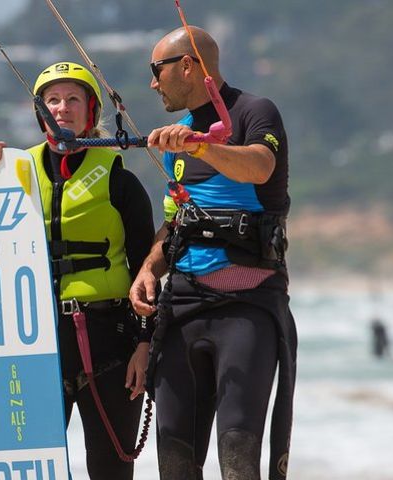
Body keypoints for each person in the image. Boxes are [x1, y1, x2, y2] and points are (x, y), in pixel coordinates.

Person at [129, 27, 297, 480]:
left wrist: (203, 144)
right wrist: (149, 268)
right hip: (181, 306)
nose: (152, 83)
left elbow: (260, 166)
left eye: (156, 70)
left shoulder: (253, 112)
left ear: (187, 65)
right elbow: (176, 222)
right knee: (175, 466)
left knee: (238, 463)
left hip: (247, 309)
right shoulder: (178, 138)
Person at [0, 62, 154, 480]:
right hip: (37, 344)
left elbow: (148, 269)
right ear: (40, 111)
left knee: (110, 471)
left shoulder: (119, 181)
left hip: (110, 341)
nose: (62, 108)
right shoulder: (14, 176)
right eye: (52, 100)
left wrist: (145, 346)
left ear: (91, 109)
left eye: (73, 99)